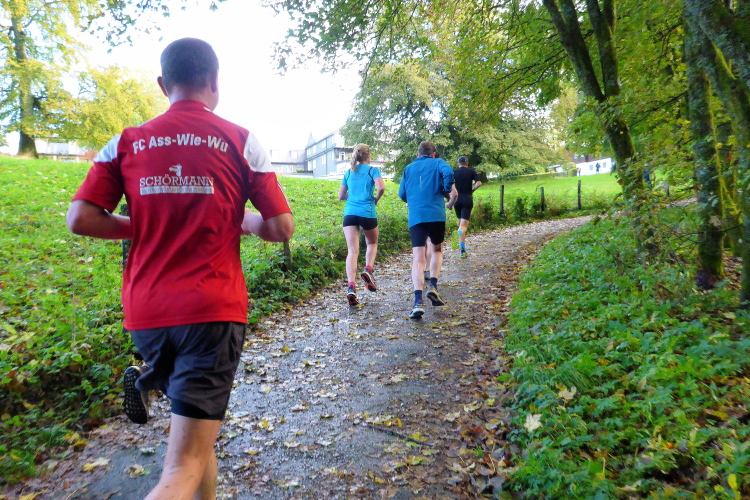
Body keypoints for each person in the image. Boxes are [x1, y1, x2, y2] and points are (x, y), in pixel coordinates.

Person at [66, 38, 294, 500]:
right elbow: (281, 227)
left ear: (162, 83)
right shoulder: (240, 140)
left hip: (147, 316)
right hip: (210, 315)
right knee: (182, 466)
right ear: (215, 81)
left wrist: (147, 223)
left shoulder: (125, 142)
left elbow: (81, 218)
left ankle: (148, 377)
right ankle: (148, 382)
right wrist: (244, 222)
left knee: (196, 438)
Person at [398, 141, 456, 320]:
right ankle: (433, 286)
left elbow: (402, 194)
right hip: (436, 214)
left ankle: (418, 302)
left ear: (417, 154)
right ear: (433, 154)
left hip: (416, 216)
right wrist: (446, 189)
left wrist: (414, 199)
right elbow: (449, 173)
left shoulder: (408, 168)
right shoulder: (438, 163)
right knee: (437, 249)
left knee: (418, 257)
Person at [338, 144, 385, 305]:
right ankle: (368, 270)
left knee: (352, 251)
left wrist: (353, 198)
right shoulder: (373, 171)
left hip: (350, 213)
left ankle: (351, 288)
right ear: (368, 156)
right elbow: (381, 187)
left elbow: (341, 196)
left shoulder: (348, 172)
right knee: (372, 242)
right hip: (367, 211)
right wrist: (375, 199)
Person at [452, 155, 482, 258]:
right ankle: (461, 246)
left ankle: (462, 250)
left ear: (458, 164)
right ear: (467, 163)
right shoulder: (471, 171)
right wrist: (472, 190)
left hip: (456, 200)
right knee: (463, 227)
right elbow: (479, 183)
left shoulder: (453, 172)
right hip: (467, 199)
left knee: (460, 223)